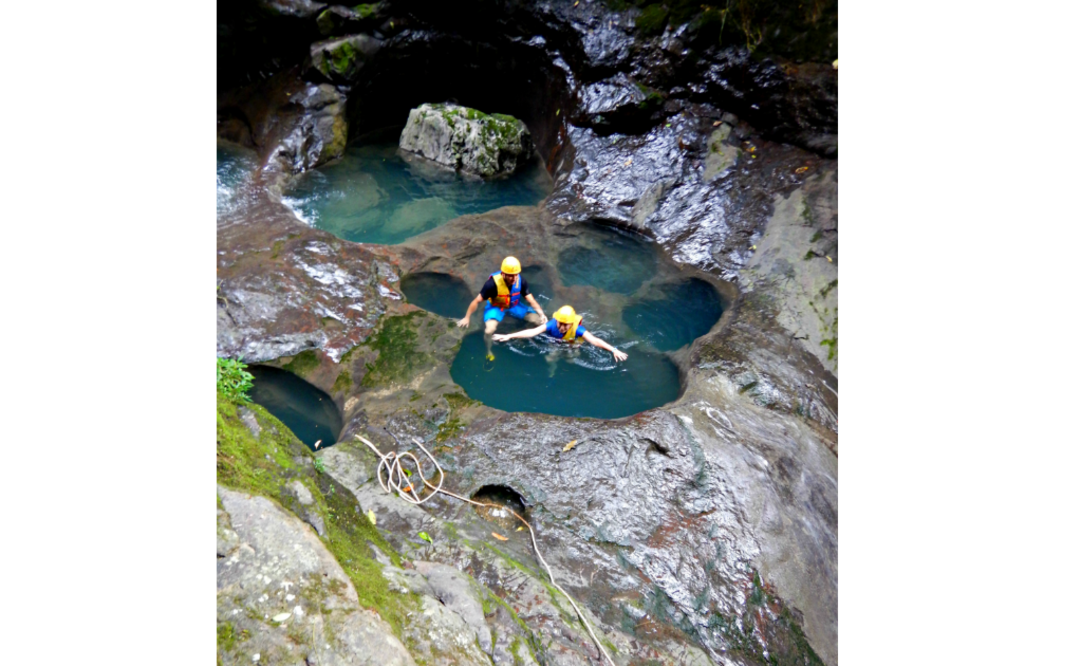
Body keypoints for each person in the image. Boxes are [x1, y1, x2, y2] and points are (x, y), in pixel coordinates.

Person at [457, 256, 547, 360]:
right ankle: (488, 351)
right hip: (496, 307)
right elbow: (476, 301)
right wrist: (467, 317)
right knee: (489, 331)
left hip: (514, 305)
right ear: (503, 274)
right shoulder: (492, 284)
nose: (513, 278)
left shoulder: (520, 281)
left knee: (539, 321)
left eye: (515, 275)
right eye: (510, 276)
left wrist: (542, 314)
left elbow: (531, 300)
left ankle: (521, 333)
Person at [493, 305, 628, 365]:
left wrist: (614, 350)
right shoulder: (552, 324)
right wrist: (509, 336)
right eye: (560, 323)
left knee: (571, 359)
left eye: (566, 325)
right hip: (555, 341)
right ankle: (552, 371)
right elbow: (532, 332)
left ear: (571, 323)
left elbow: (594, 340)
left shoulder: (578, 329)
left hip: (572, 342)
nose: (562, 327)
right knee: (550, 359)